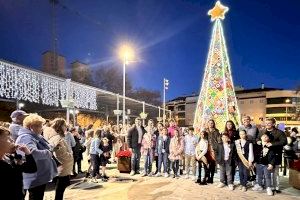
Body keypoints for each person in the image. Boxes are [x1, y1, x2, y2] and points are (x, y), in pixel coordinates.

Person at [15, 114, 58, 200]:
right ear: (31, 127)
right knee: (36, 196)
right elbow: (32, 153)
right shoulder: (26, 137)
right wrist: (48, 153)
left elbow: (47, 146)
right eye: (39, 126)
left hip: (38, 174)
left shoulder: (35, 136)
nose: (42, 128)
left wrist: (52, 147)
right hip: (34, 176)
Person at [0, 126, 37, 200]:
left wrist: (28, 154)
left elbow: (32, 169)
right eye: (8, 139)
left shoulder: (9, 157)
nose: (13, 140)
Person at [43, 118, 73, 200]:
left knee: (60, 188)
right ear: (59, 126)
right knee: (60, 188)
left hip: (62, 165)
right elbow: (60, 153)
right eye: (64, 125)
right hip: (62, 165)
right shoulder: (56, 137)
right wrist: (70, 156)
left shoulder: (56, 136)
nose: (65, 127)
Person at [258, 118, 287, 193]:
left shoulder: (280, 132)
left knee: (275, 173)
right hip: (264, 156)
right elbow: (257, 139)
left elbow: (284, 142)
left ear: (273, 124)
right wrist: (258, 141)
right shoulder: (262, 131)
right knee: (265, 172)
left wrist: (272, 144)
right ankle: (267, 186)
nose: (267, 124)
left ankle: (276, 187)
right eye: (266, 123)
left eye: (269, 123)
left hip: (275, 155)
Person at [206, 119, 221, 183]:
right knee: (206, 164)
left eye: (212, 123)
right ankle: (207, 177)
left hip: (214, 150)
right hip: (206, 149)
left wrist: (219, 148)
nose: (210, 124)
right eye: (209, 123)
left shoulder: (217, 131)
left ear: (213, 124)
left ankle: (211, 178)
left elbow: (219, 140)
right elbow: (201, 138)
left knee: (212, 165)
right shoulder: (205, 131)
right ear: (208, 124)